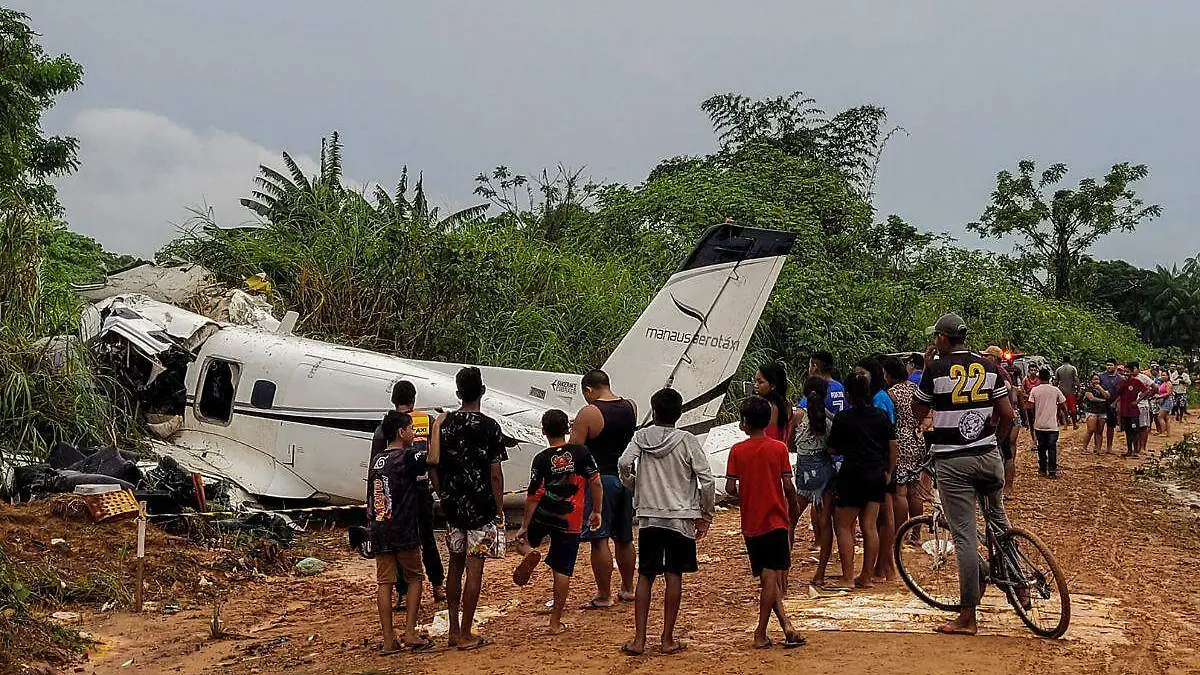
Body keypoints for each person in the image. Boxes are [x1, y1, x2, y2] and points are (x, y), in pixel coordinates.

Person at [911, 314, 1015, 636]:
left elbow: (918, 412)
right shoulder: (989, 367)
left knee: (965, 536)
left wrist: (928, 370)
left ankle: (967, 616)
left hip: (953, 462)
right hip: (988, 457)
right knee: (999, 522)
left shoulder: (937, 369)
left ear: (942, 339)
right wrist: (992, 444)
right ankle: (1020, 583)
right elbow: (1008, 415)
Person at [619, 388, 715, 656]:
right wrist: (705, 514)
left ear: (654, 410)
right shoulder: (687, 440)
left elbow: (624, 463)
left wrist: (634, 485)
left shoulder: (641, 437)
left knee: (646, 574)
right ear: (679, 413)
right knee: (674, 575)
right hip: (680, 517)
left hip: (650, 515)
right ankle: (667, 639)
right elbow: (706, 480)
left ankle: (639, 640)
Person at [427, 367, 507, 651]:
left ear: (458, 393)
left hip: (453, 508)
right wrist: (498, 509)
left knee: (455, 566)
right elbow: (495, 473)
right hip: (481, 508)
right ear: (482, 391)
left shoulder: (443, 425)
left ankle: (452, 629)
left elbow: (433, 467)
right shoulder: (490, 427)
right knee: (475, 570)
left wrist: (443, 495)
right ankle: (466, 633)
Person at [513, 409, 603, 634]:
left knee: (521, 542)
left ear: (544, 431)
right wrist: (597, 511)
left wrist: (525, 525)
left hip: (544, 513)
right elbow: (596, 482)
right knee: (562, 570)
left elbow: (533, 495)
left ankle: (528, 553)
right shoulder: (581, 453)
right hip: (570, 518)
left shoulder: (541, 458)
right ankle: (554, 623)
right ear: (568, 429)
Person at [725, 396, 805, 649]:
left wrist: (747, 495)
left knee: (767, 577)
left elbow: (729, 487)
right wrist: (793, 507)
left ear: (745, 423)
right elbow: (788, 484)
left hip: (751, 521)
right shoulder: (779, 448)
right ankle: (761, 631)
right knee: (772, 577)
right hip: (776, 519)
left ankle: (786, 626)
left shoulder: (737, 451)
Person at [371, 381, 445, 608]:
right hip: (421, 489)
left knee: (400, 543)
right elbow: (433, 462)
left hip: (394, 494)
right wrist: (439, 490)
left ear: (393, 400)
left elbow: (375, 464)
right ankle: (437, 585)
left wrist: (374, 501)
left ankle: (403, 593)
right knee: (427, 538)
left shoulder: (385, 426)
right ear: (414, 399)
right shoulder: (427, 421)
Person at [570, 369, 638, 610]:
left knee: (600, 539)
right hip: (626, 479)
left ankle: (604, 594)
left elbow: (574, 452)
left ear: (588, 389)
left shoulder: (588, 413)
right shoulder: (631, 406)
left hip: (601, 480)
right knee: (625, 537)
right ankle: (629, 588)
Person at [367, 411, 433, 654]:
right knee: (415, 578)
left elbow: (372, 496)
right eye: (411, 429)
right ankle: (409, 632)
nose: (414, 433)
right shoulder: (407, 456)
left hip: (380, 527)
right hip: (404, 528)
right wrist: (437, 429)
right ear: (400, 432)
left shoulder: (377, 460)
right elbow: (434, 458)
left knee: (384, 582)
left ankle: (388, 639)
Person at [827, 371, 897, 590]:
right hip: (876, 474)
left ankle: (848, 577)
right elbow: (892, 446)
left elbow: (833, 448)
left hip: (852, 474)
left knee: (844, 526)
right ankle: (866, 576)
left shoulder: (843, 418)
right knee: (870, 526)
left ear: (847, 394)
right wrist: (888, 471)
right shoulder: (880, 416)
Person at [788, 376, 836, 586]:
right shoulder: (830, 420)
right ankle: (820, 573)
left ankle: (783, 573)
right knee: (826, 524)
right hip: (825, 472)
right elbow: (834, 449)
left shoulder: (798, 416)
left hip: (804, 475)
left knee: (790, 520)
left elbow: (790, 445)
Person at [882, 356, 926, 537]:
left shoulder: (891, 394)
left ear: (889, 374)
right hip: (917, 439)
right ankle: (916, 533)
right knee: (914, 488)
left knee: (900, 490)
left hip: (901, 441)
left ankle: (900, 533)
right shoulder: (915, 389)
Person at [1028, 368, 1067, 478]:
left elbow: (1030, 406)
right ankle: (1052, 470)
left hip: (1039, 424)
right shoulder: (1055, 390)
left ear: (1039, 378)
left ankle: (1042, 469)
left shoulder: (1035, 390)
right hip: (1052, 425)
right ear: (1049, 377)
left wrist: (1034, 416)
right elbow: (1064, 405)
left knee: (1041, 447)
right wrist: (1064, 416)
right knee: (1052, 448)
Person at [1114, 362, 1150, 458]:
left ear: (1131, 372)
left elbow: (1146, 391)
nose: (1125, 374)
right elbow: (1119, 393)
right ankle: (1129, 450)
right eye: (1124, 372)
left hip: (1133, 411)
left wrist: (1137, 401)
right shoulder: (1121, 382)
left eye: (1127, 372)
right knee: (1127, 431)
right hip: (1124, 411)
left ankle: (1136, 451)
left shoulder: (1136, 382)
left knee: (1135, 431)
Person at [755, 362, 793, 443]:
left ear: (772, 385)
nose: (756, 385)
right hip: (780, 451)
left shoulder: (767, 407)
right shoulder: (787, 404)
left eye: (760, 382)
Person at [1098, 359, 1124, 454]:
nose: (1109, 367)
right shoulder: (1100, 376)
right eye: (1107, 365)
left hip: (1112, 404)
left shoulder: (1120, 379)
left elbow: (1121, 394)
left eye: (1111, 365)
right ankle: (1098, 446)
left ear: (1115, 366)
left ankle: (1109, 447)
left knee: (1110, 427)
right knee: (1098, 427)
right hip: (1101, 404)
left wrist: (1115, 403)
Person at [1081, 374, 1110, 454]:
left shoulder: (1103, 387)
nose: (1096, 381)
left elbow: (1107, 396)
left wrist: (1100, 389)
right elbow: (1091, 398)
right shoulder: (1088, 388)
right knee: (1090, 430)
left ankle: (1098, 449)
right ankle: (1084, 448)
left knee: (1100, 431)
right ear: (1091, 380)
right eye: (1094, 379)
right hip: (1091, 411)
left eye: (1097, 379)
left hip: (1102, 412)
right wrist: (1102, 400)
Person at [1055, 357, 1080, 430]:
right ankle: (1075, 424)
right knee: (1073, 408)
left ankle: (1065, 425)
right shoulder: (1073, 368)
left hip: (1061, 391)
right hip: (1070, 390)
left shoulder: (1058, 369)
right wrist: (1078, 390)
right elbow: (1076, 380)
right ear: (1070, 360)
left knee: (1062, 408)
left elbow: (1056, 382)